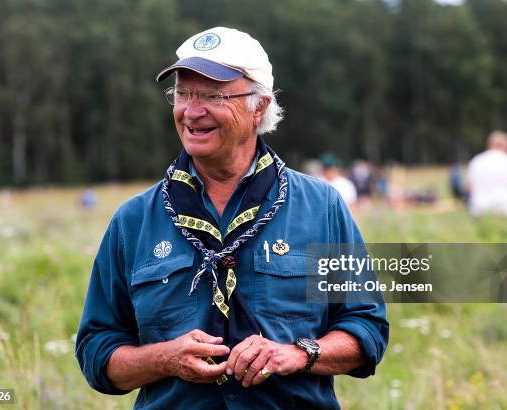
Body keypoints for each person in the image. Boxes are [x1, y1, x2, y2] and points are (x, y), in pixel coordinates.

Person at [75, 27, 388, 409]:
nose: (191, 110)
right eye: (183, 93)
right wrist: (163, 358)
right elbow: (96, 352)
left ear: (259, 107)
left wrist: (298, 353)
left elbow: (366, 329)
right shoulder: (133, 220)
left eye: (212, 96)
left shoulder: (322, 207)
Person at [467, 130, 507, 219]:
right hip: (505, 210)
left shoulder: (476, 161)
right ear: (505, 146)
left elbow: (470, 188)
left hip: (479, 211)